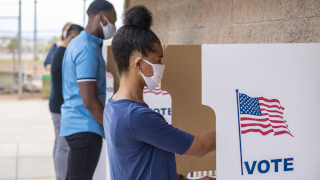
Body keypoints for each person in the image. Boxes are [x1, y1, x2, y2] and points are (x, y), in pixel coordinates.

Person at [104, 5, 216, 180]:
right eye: (158, 60)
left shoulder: (113, 106)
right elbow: (200, 147)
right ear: (138, 63)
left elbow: (144, 164)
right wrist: (232, 130)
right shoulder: (137, 116)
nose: (161, 67)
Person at [60, 0, 117, 179]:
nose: (114, 27)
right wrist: (110, 129)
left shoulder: (80, 44)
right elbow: (90, 101)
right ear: (101, 18)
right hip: (84, 127)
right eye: (112, 21)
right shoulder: (87, 50)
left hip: (77, 125)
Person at [49, 24, 84, 180]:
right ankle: (61, 177)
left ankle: (60, 175)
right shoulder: (63, 55)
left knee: (59, 144)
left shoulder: (59, 52)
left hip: (56, 105)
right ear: (72, 38)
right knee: (63, 146)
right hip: (59, 107)